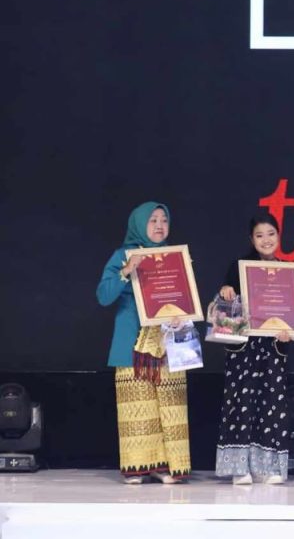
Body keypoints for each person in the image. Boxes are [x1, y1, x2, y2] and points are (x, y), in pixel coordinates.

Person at [96, 202, 191, 484]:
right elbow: (103, 296)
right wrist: (126, 270)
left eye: (164, 220)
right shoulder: (123, 256)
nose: (160, 225)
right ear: (138, 224)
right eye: (153, 220)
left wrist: (183, 314)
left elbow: (186, 298)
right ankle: (137, 467)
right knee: (138, 407)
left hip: (167, 343)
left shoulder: (174, 257)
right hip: (133, 344)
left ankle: (165, 466)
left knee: (170, 407)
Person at [214, 213, 293, 485]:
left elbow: (291, 313)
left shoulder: (287, 271)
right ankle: (239, 468)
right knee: (241, 404)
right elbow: (225, 305)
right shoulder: (239, 267)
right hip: (245, 347)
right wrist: (226, 291)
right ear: (252, 239)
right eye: (260, 235)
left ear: (278, 236)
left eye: (271, 234)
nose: (266, 240)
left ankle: (267, 467)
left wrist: (288, 332)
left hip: (271, 347)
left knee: (272, 404)